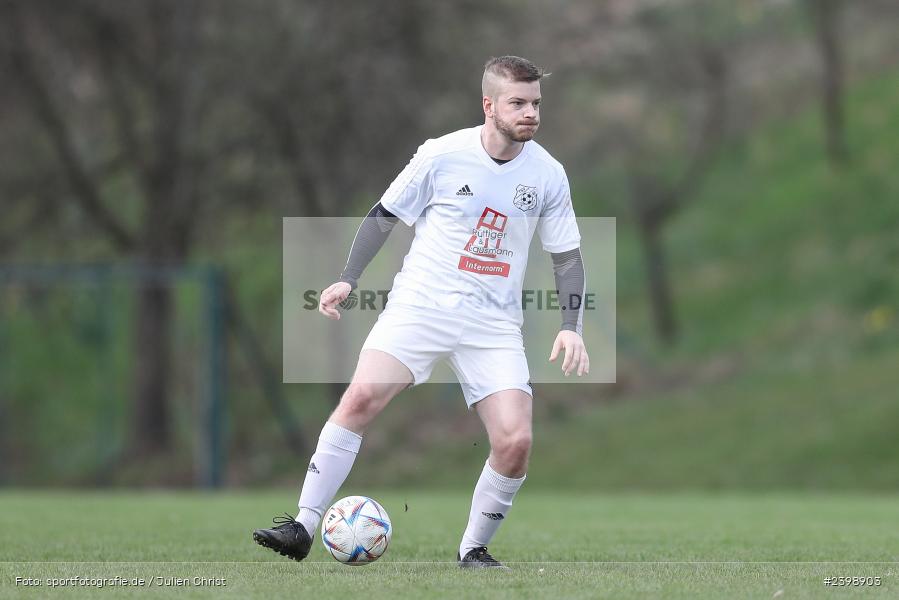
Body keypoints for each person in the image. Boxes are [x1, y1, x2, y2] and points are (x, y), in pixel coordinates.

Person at [254, 55, 588, 569]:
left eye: (536, 103)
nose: (530, 114)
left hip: (494, 324)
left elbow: (565, 255)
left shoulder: (548, 174)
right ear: (489, 105)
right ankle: (302, 524)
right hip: (421, 306)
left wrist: (571, 326)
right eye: (518, 103)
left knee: (516, 440)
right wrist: (349, 277)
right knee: (361, 397)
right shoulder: (441, 155)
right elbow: (384, 216)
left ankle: (473, 550)